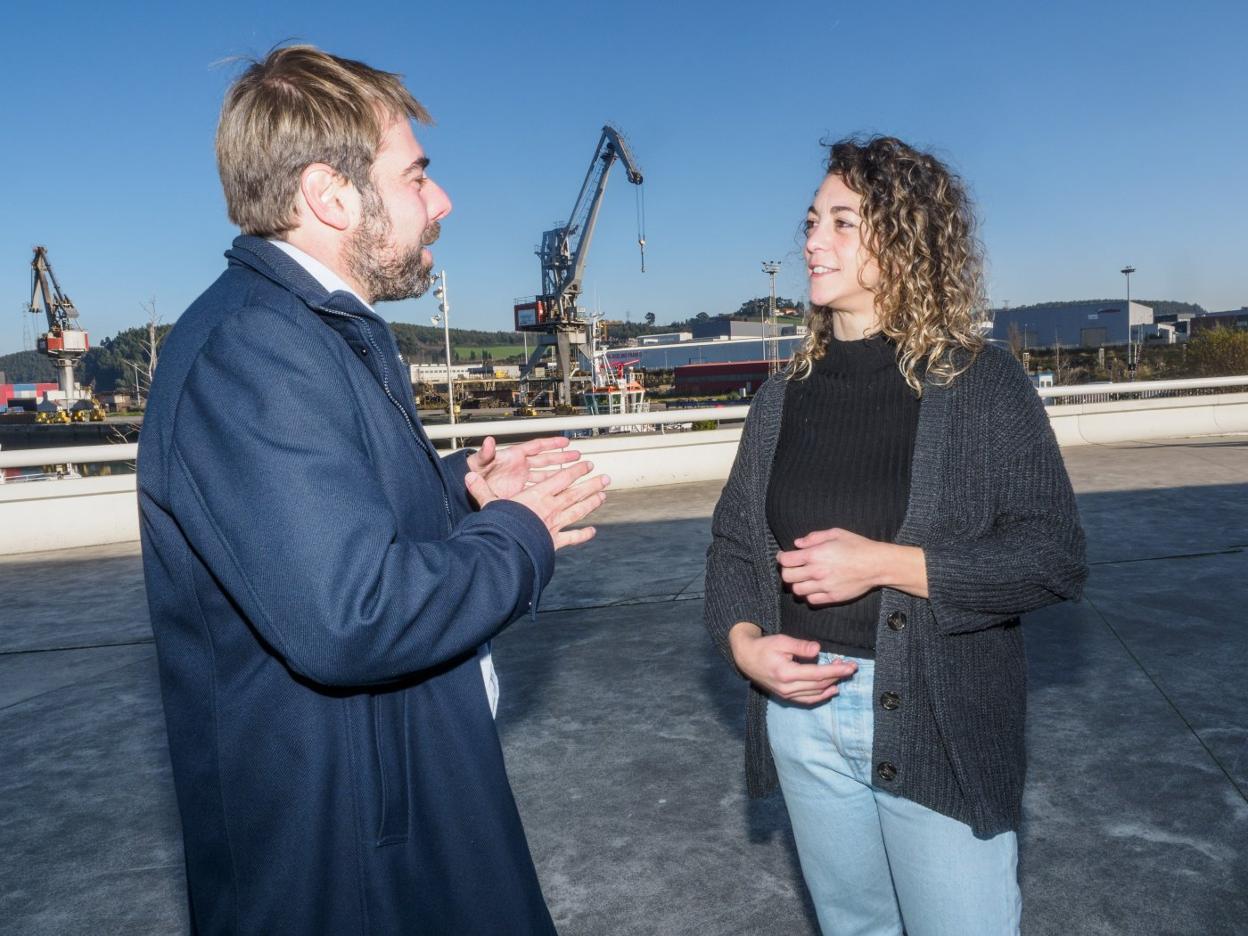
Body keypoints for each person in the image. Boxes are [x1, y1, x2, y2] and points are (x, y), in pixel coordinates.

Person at [138, 45, 608, 935]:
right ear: (331, 196)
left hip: (394, 799)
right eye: (417, 176)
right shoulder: (254, 349)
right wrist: (519, 533)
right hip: (345, 857)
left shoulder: (315, 331)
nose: (442, 200)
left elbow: (326, 511)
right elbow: (349, 616)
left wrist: (462, 489)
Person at [704, 135, 1087, 936]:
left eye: (843, 223)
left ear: (908, 241)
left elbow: (1053, 556)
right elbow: (736, 547)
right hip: (803, 723)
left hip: (940, 718)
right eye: (812, 221)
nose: (813, 241)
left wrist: (887, 564)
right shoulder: (780, 399)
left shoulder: (983, 383)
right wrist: (745, 645)